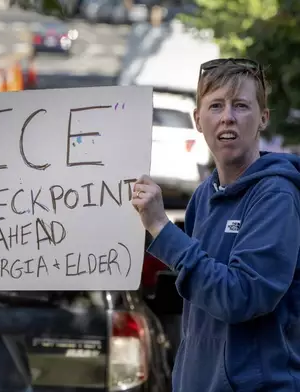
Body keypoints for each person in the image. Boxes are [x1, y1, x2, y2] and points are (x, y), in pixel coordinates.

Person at [132, 58, 300, 391]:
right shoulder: (203, 196)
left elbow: (241, 296)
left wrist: (162, 229)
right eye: (216, 105)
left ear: (263, 118)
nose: (227, 117)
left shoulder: (277, 196)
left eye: (241, 106)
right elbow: (198, 290)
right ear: (197, 119)